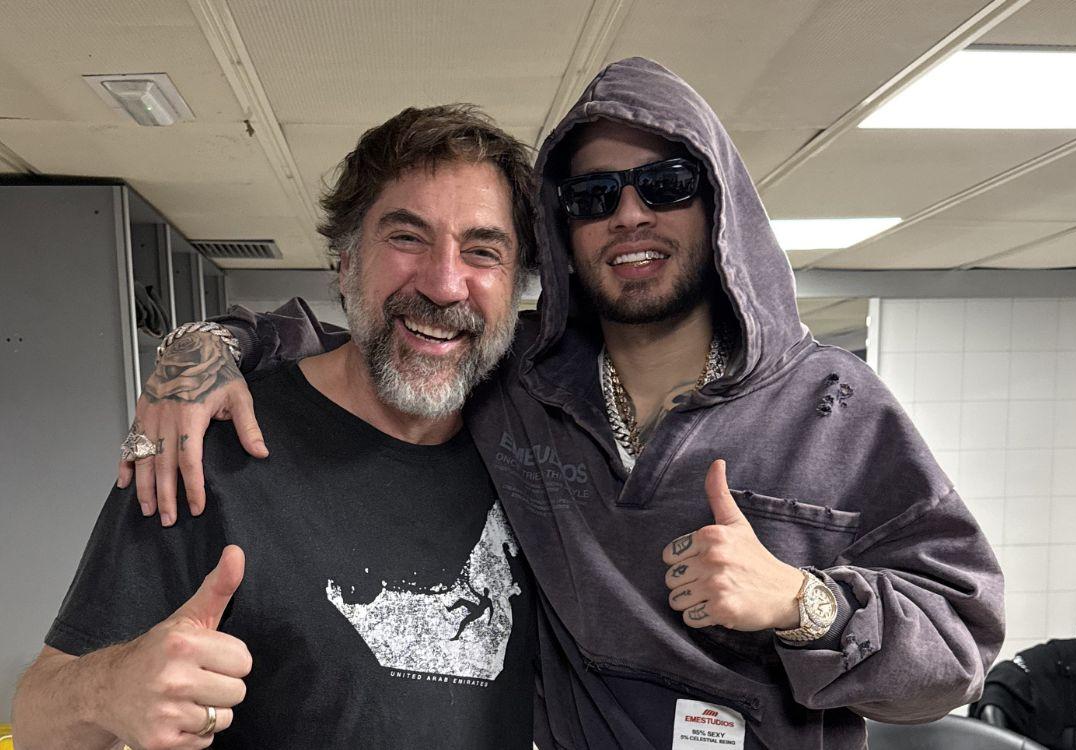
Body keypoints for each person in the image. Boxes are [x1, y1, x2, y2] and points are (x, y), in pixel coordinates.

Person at [113, 58, 1004, 748]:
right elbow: (385, 338)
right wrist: (206, 349)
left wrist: (803, 602)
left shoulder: (833, 406)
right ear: (565, 236)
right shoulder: (524, 379)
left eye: (664, 186)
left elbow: (959, 650)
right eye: (590, 197)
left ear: (719, 207)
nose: (628, 214)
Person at [12, 105, 540, 750]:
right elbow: (38, 717)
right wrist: (112, 689)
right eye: (407, 238)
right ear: (345, 265)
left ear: (517, 289)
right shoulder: (210, 449)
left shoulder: (537, 451)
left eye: (483, 250)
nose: (444, 283)